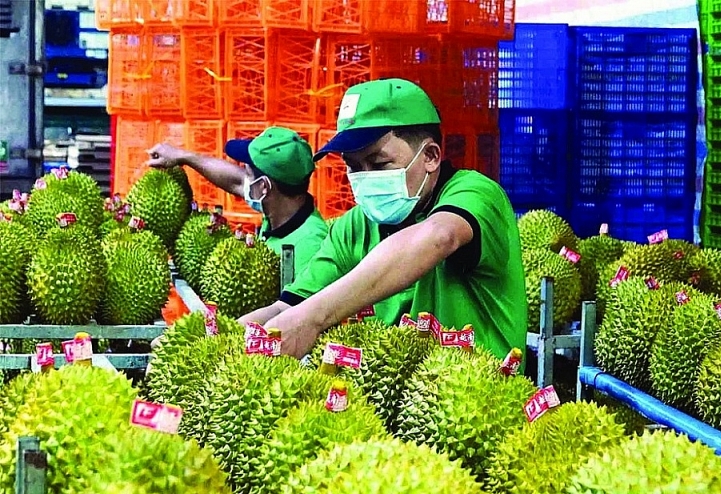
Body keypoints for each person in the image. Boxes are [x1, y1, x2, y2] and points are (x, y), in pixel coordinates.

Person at [239, 78, 527, 362]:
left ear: (430, 156)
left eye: (379, 164)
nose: (365, 177)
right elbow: (286, 308)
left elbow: (440, 236)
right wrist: (226, 339)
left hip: (477, 399)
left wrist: (313, 317)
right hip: (395, 402)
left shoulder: (476, 194)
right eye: (354, 167)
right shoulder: (353, 227)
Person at [145, 126, 329, 270]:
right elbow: (235, 181)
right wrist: (183, 156)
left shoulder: (312, 246)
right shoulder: (282, 207)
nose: (244, 179)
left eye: (248, 173)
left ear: (263, 187)